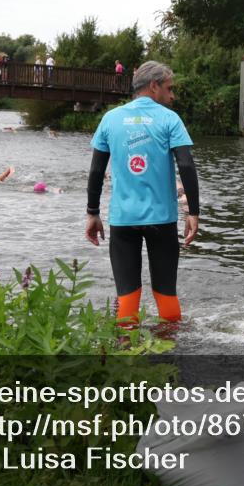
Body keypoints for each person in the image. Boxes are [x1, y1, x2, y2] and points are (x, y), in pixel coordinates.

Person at [85, 61, 199, 330]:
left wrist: (93, 213)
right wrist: (193, 212)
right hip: (162, 221)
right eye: (169, 89)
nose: (172, 96)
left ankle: (126, 359)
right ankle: (170, 361)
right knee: (166, 292)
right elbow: (186, 165)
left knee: (127, 296)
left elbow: (96, 170)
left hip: (123, 220)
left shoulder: (110, 119)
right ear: (153, 86)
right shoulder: (169, 119)